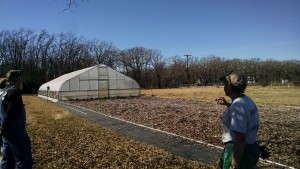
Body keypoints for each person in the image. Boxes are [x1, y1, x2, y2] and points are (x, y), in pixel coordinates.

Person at [216, 71, 260, 169]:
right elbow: (243, 116)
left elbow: (240, 138)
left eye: (225, 84)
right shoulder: (246, 101)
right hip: (251, 147)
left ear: (230, 87)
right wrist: (228, 104)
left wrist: (234, 164)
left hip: (240, 152)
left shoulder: (238, 106)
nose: (223, 87)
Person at [0, 70, 33, 169]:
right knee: (24, 161)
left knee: (7, 160)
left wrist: (2, 129)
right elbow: (11, 114)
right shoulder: (14, 92)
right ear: (17, 80)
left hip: (6, 134)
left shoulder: (3, 93)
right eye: (21, 79)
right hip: (16, 133)